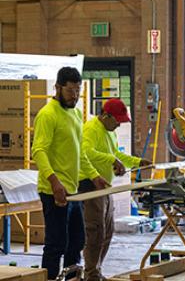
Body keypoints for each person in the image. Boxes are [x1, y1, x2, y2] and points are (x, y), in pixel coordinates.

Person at [32, 67, 105, 280]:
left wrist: (93, 176)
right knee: (56, 244)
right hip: (53, 191)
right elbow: (39, 151)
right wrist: (54, 183)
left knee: (77, 241)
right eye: (70, 91)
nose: (75, 96)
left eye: (78, 91)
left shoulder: (75, 113)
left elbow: (79, 151)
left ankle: (73, 278)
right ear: (58, 88)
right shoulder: (48, 115)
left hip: (73, 191)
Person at [79, 98, 151, 281]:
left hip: (104, 186)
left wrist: (136, 162)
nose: (119, 124)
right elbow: (86, 152)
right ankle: (91, 274)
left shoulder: (109, 131)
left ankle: (96, 270)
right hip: (89, 184)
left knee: (108, 231)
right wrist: (111, 161)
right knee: (96, 231)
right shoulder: (91, 129)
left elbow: (115, 153)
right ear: (105, 116)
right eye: (117, 120)